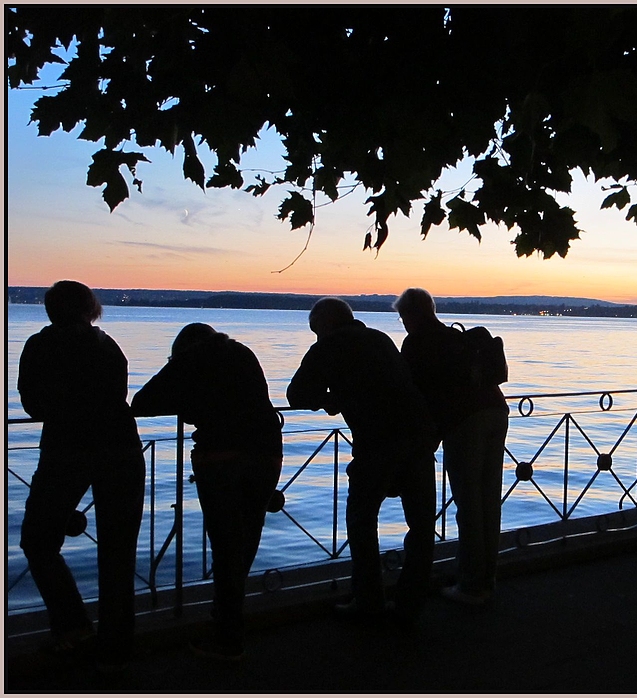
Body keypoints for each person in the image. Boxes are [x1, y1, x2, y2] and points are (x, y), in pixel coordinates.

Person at [132, 323, 282, 661]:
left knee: (226, 545)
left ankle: (228, 637)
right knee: (246, 539)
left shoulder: (189, 359)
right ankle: (228, 619)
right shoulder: (243, 352)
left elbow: (142, 402)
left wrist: (188, 402)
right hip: (268, 452)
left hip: (222, 456)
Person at [17, 280, 146, 672]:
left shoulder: (41, 344)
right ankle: (117, 643)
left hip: (67, 451)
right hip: (123, 447)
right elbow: (119, 395)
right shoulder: (108, 345)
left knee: (38, 541)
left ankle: (73, 628)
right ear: (90, 308)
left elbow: (31, 403)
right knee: (118, 550)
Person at [287, 298, 438, 624]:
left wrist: (331, 399)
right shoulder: (380, 339)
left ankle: (369, 600)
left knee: (361, 522)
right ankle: (411, 604)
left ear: (325, 325)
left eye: (316, 331)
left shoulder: (328, 347)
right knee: (422, 525)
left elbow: (295, 394)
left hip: (377, 443)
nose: (316, 338)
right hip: (419, 435)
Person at [393, 288, 509, 606]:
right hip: (496, 412)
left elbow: (409, 392)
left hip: (465, 422)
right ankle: (488, 578)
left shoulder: (416, 343)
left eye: (402, 317)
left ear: (410, 315)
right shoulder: (455, 335)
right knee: (488, 501)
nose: (403, 323)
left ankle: (472, 586)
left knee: (469, 504)